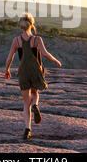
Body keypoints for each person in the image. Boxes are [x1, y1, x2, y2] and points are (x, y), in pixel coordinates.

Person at [4, 12, 62, 140]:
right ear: (32, 24)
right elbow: (45, 54)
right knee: (35, 93)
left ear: (21, 26)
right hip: (36, 70)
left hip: (23, 71)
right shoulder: (37, 39)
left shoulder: (17, 40)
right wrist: (56, 61)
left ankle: (27, 129)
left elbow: (10, 57)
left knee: (25, 103)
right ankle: (35, 105)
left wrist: (7, 70)